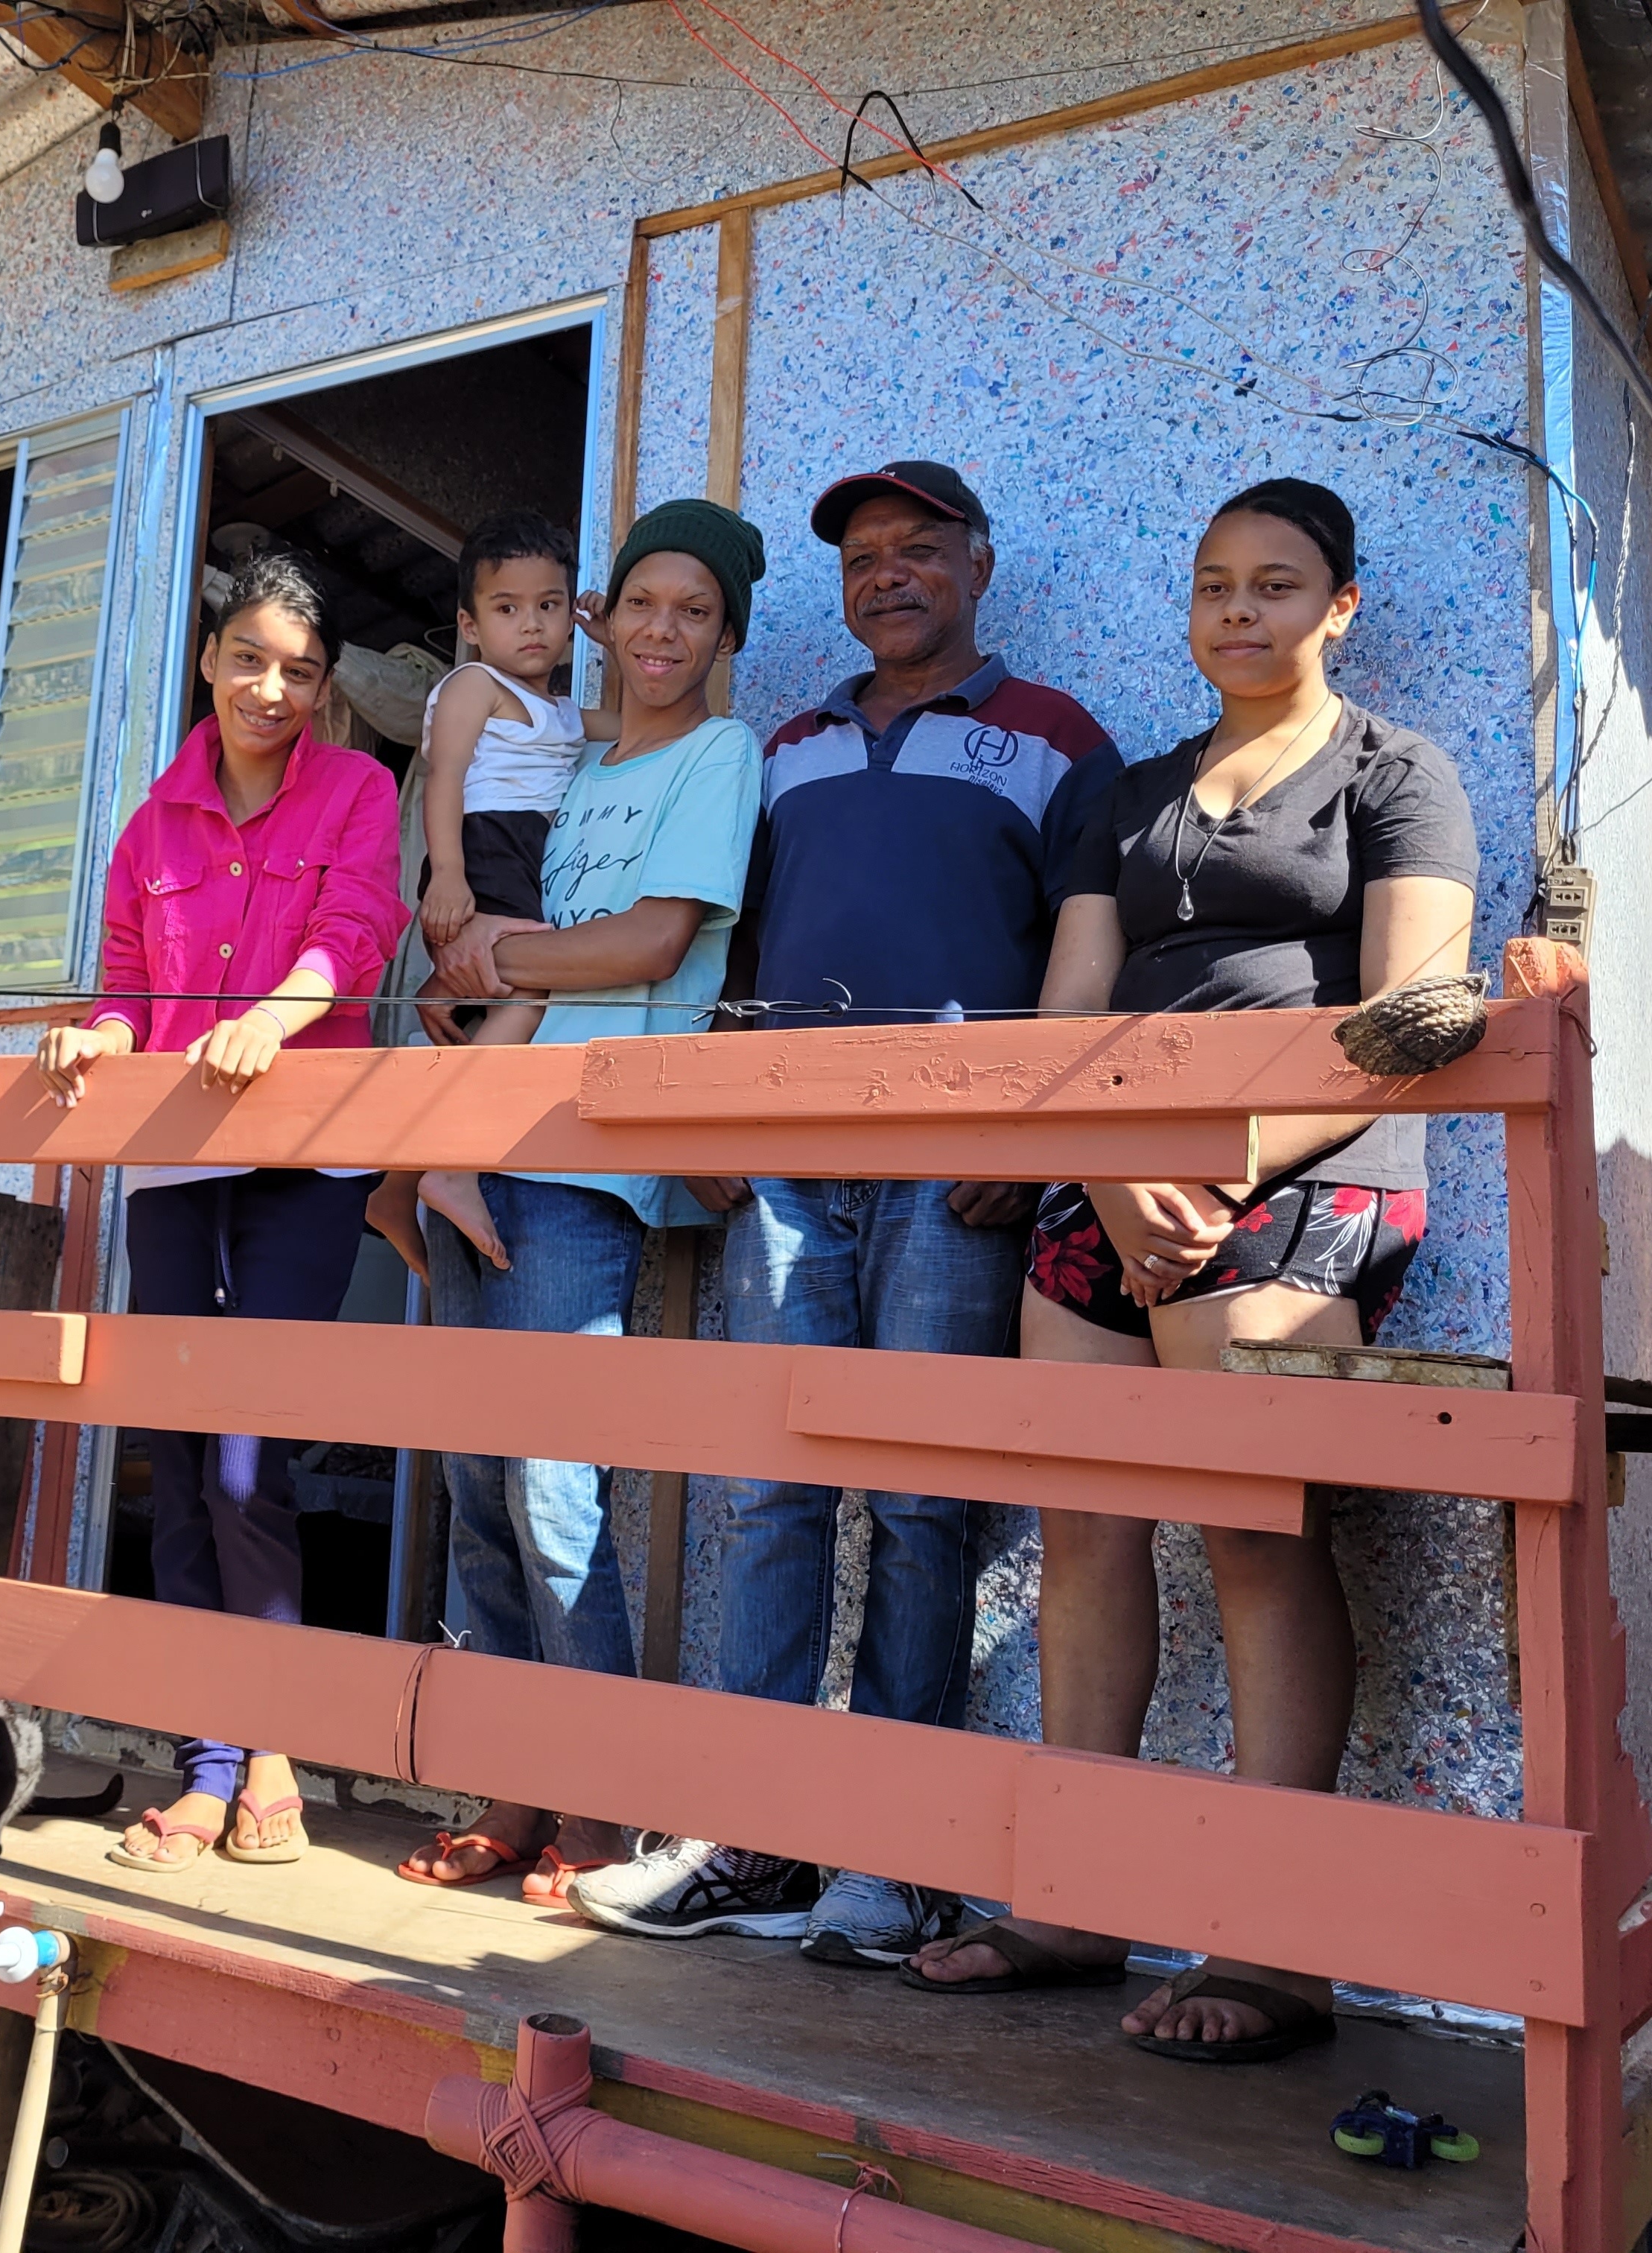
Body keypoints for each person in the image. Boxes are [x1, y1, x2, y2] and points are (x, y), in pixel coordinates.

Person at [901, 478, 1478, 2062]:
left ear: (1338, 606)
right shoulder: (1129, 789)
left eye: (1276, 583)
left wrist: (1223, 1165)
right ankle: (1073, 1904)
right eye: (1215, 583)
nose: (1239, 609)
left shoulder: (1393, 773)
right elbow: (1071, 1008)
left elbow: (1413, 1015)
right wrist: (1102, 1165)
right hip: (1112, 1177)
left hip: (1308, 1173)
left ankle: (1277, 1947)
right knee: (1083, 1534)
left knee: (1251, 1536)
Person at [568, 461, 1123, 1956]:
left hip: (956, 1165)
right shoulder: (789, 747)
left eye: (918, 549)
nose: (887, 573)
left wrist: (1039, 1136)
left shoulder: (1058, 738)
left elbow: (1093, 955)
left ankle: (898, 1851)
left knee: (927, 1499)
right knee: (769, 1487)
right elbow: (725, 949)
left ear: (977, 566)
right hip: (786, 1163)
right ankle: (750, 1839)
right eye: (863, 555)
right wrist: (712, 1112)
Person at [395, 497, 766, 1903]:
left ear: (724, 636)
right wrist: (468, 955)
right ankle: (516, 1786)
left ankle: (602, 1809)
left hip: (580, 1151)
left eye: (694, 611)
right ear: (600, 619)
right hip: (475, 1131)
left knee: (553, 1487)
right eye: (641, 603)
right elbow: (469, 879)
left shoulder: (719, 755)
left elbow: (654, 941)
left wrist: (500, 953)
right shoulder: (570, 748)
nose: (661, 630)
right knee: (477, 1490)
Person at [34, 548, 409, 1877]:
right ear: (209, 659)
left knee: (249, 1458)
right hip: (174, 1165)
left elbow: (356, 934)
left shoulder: (360, 790)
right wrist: (97, 1035)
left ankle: (273, 1746)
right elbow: (128, 982)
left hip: (306, 1157)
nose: (270, 688)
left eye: (298, 671)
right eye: (248, 658)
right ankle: (212, 1765)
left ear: (323, 686)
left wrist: (269, 1019)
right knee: (182, 1462)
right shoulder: (152, 824)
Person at [366, 510, 617, 1278]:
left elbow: (642, 722)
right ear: (470, 626)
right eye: (507, 608)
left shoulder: (561, 711)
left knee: (505, 996)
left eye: (549, 605)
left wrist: (616, 641)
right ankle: (451, 1167)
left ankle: (396, 1188)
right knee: (531, 993)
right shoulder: (474, 684)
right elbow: (444, 776)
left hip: (530, 857)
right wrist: (447, 874)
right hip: (484, 849)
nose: (531, 624)